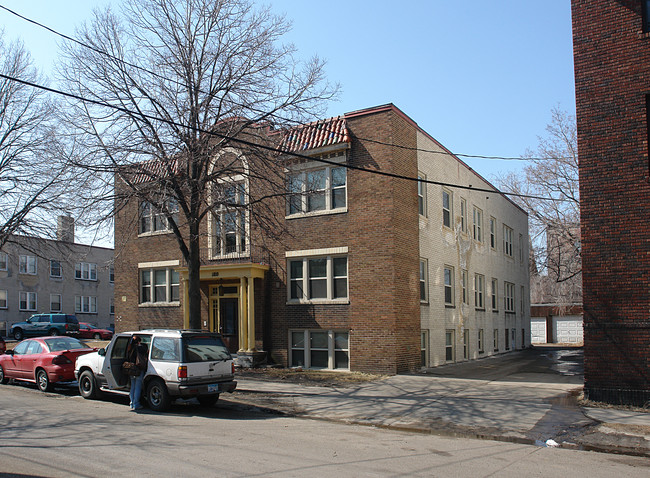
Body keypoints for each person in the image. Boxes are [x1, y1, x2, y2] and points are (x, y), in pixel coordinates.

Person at [125, 335, 148, 411]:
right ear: (139, 342)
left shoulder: (129, 348)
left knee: (133, 386)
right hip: (138, 368)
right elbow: (146, 352)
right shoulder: (140, 348)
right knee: (138, 386)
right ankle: (136, 404)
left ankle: (132, 403)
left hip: (131, 369)